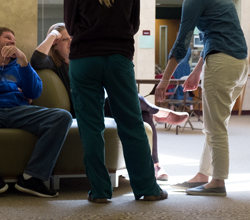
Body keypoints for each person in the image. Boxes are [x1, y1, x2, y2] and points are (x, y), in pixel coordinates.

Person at [63, 0, 167, 203]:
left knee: (90, 126)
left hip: (84, 61)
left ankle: (99, 191)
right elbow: (133, 26)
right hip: (119, 61)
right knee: (131, 124)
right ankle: (147, 188)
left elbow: (71, 28)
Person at [30, 23, 188, 181]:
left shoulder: (80, 63)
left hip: (97, 105)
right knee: (124, 99)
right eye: (65, 39)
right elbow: (36, 60)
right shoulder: (54, 64)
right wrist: (52, 36)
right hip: (82, 110)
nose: (71, 43)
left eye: (73, 38)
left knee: (141, 112)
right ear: (55, 45)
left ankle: (155, 164)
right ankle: (159, 113)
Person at [156, 0, 250, 197]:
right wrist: (197, 71)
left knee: (215, 126)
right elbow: (216, 36)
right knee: (215, 123)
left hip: (223, 63)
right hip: (238, 62)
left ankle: (217, 181)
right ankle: (203, 174)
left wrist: (164, 81)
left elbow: (181, 43)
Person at [0, 27, 73, 200]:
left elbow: (34, 92)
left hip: (20, 111)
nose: (13, 42)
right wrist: (13, 87)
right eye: (8, 38)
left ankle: (33, 177)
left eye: (14, 40)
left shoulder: (21, 66)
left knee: (62, 116)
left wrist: (23, 61)